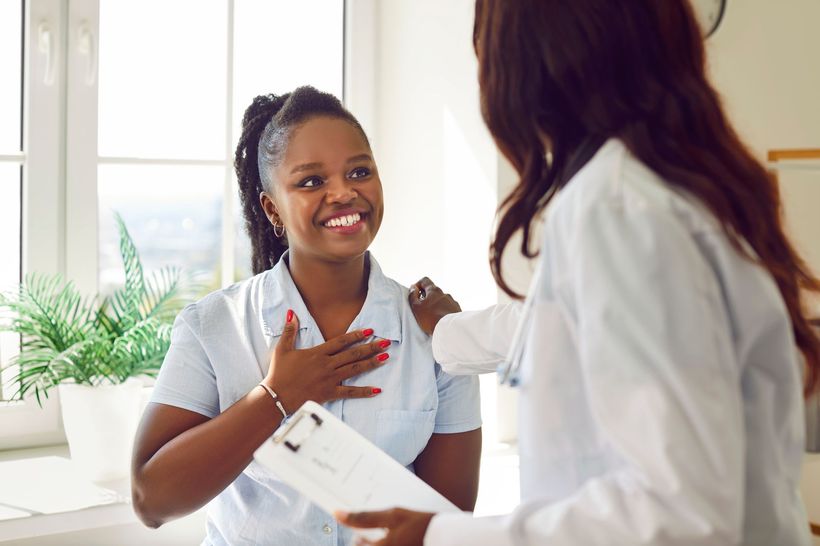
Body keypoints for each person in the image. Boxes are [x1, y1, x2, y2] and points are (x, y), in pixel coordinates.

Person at [336, 1, 820, 545]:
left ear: (532, 61)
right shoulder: (676, 188)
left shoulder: (615, 209)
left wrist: (441, 537)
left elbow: (682, 514)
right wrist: (448, 331)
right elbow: (569, 325)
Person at [130, 86, 482, 545]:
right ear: (272, 208)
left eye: (359, 171)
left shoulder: (435, 334)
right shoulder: (214, 325)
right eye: (312, 181)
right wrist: (277, 396)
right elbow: (152, 500)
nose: (343, 193)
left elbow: (446, 524)